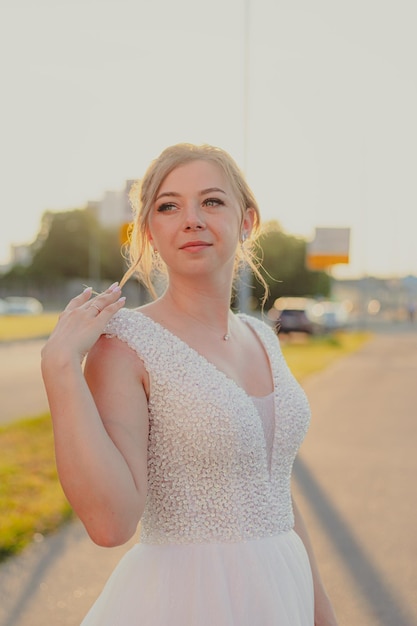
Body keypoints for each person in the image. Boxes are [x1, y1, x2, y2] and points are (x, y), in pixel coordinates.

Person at [41, 143, 338, 625]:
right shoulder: (125, 345)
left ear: (247, 221)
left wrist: (321, 611)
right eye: (169, 206)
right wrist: (59, 368)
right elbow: (110, 523)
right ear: (150, 233)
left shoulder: (262, 336)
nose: (192, 219)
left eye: (213, 201)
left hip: (283, 593)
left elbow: (275, 494)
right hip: (186, 602)